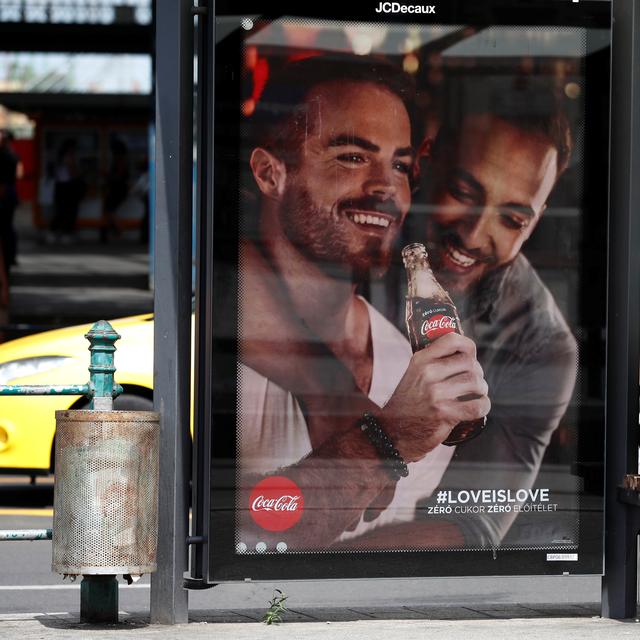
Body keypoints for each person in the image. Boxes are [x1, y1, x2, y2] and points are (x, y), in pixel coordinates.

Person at [237, 56, 490, 551]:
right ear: (270, 174)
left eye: (400, 165)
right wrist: (385, 440)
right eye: (352, 156)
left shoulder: (413, 370)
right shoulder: (211, 353)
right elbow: (252, 543)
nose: (386, 187)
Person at [413, 78, 578, 547]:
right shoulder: (359, 237)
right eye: (464, 192)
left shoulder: (541, 343)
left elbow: (468, 527)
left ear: (534, 223)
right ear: (426, 162)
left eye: (511, 219)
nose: (472, 234)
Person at [49, 139, 85, 243]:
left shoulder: (59, 157)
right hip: (68, 187)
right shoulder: (69, 157)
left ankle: (56, 232)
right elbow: (73, 173)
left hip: (60, 187)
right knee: (68, 211)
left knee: (61, 211)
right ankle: (65, 233)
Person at [0, 129, 21, 271]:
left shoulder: (6, 156)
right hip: (10, 193)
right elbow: (20, 173)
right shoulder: (14, 155)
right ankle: (10, 257)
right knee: (8, 227)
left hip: (4, 195)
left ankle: (8, 258)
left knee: (5, 228)